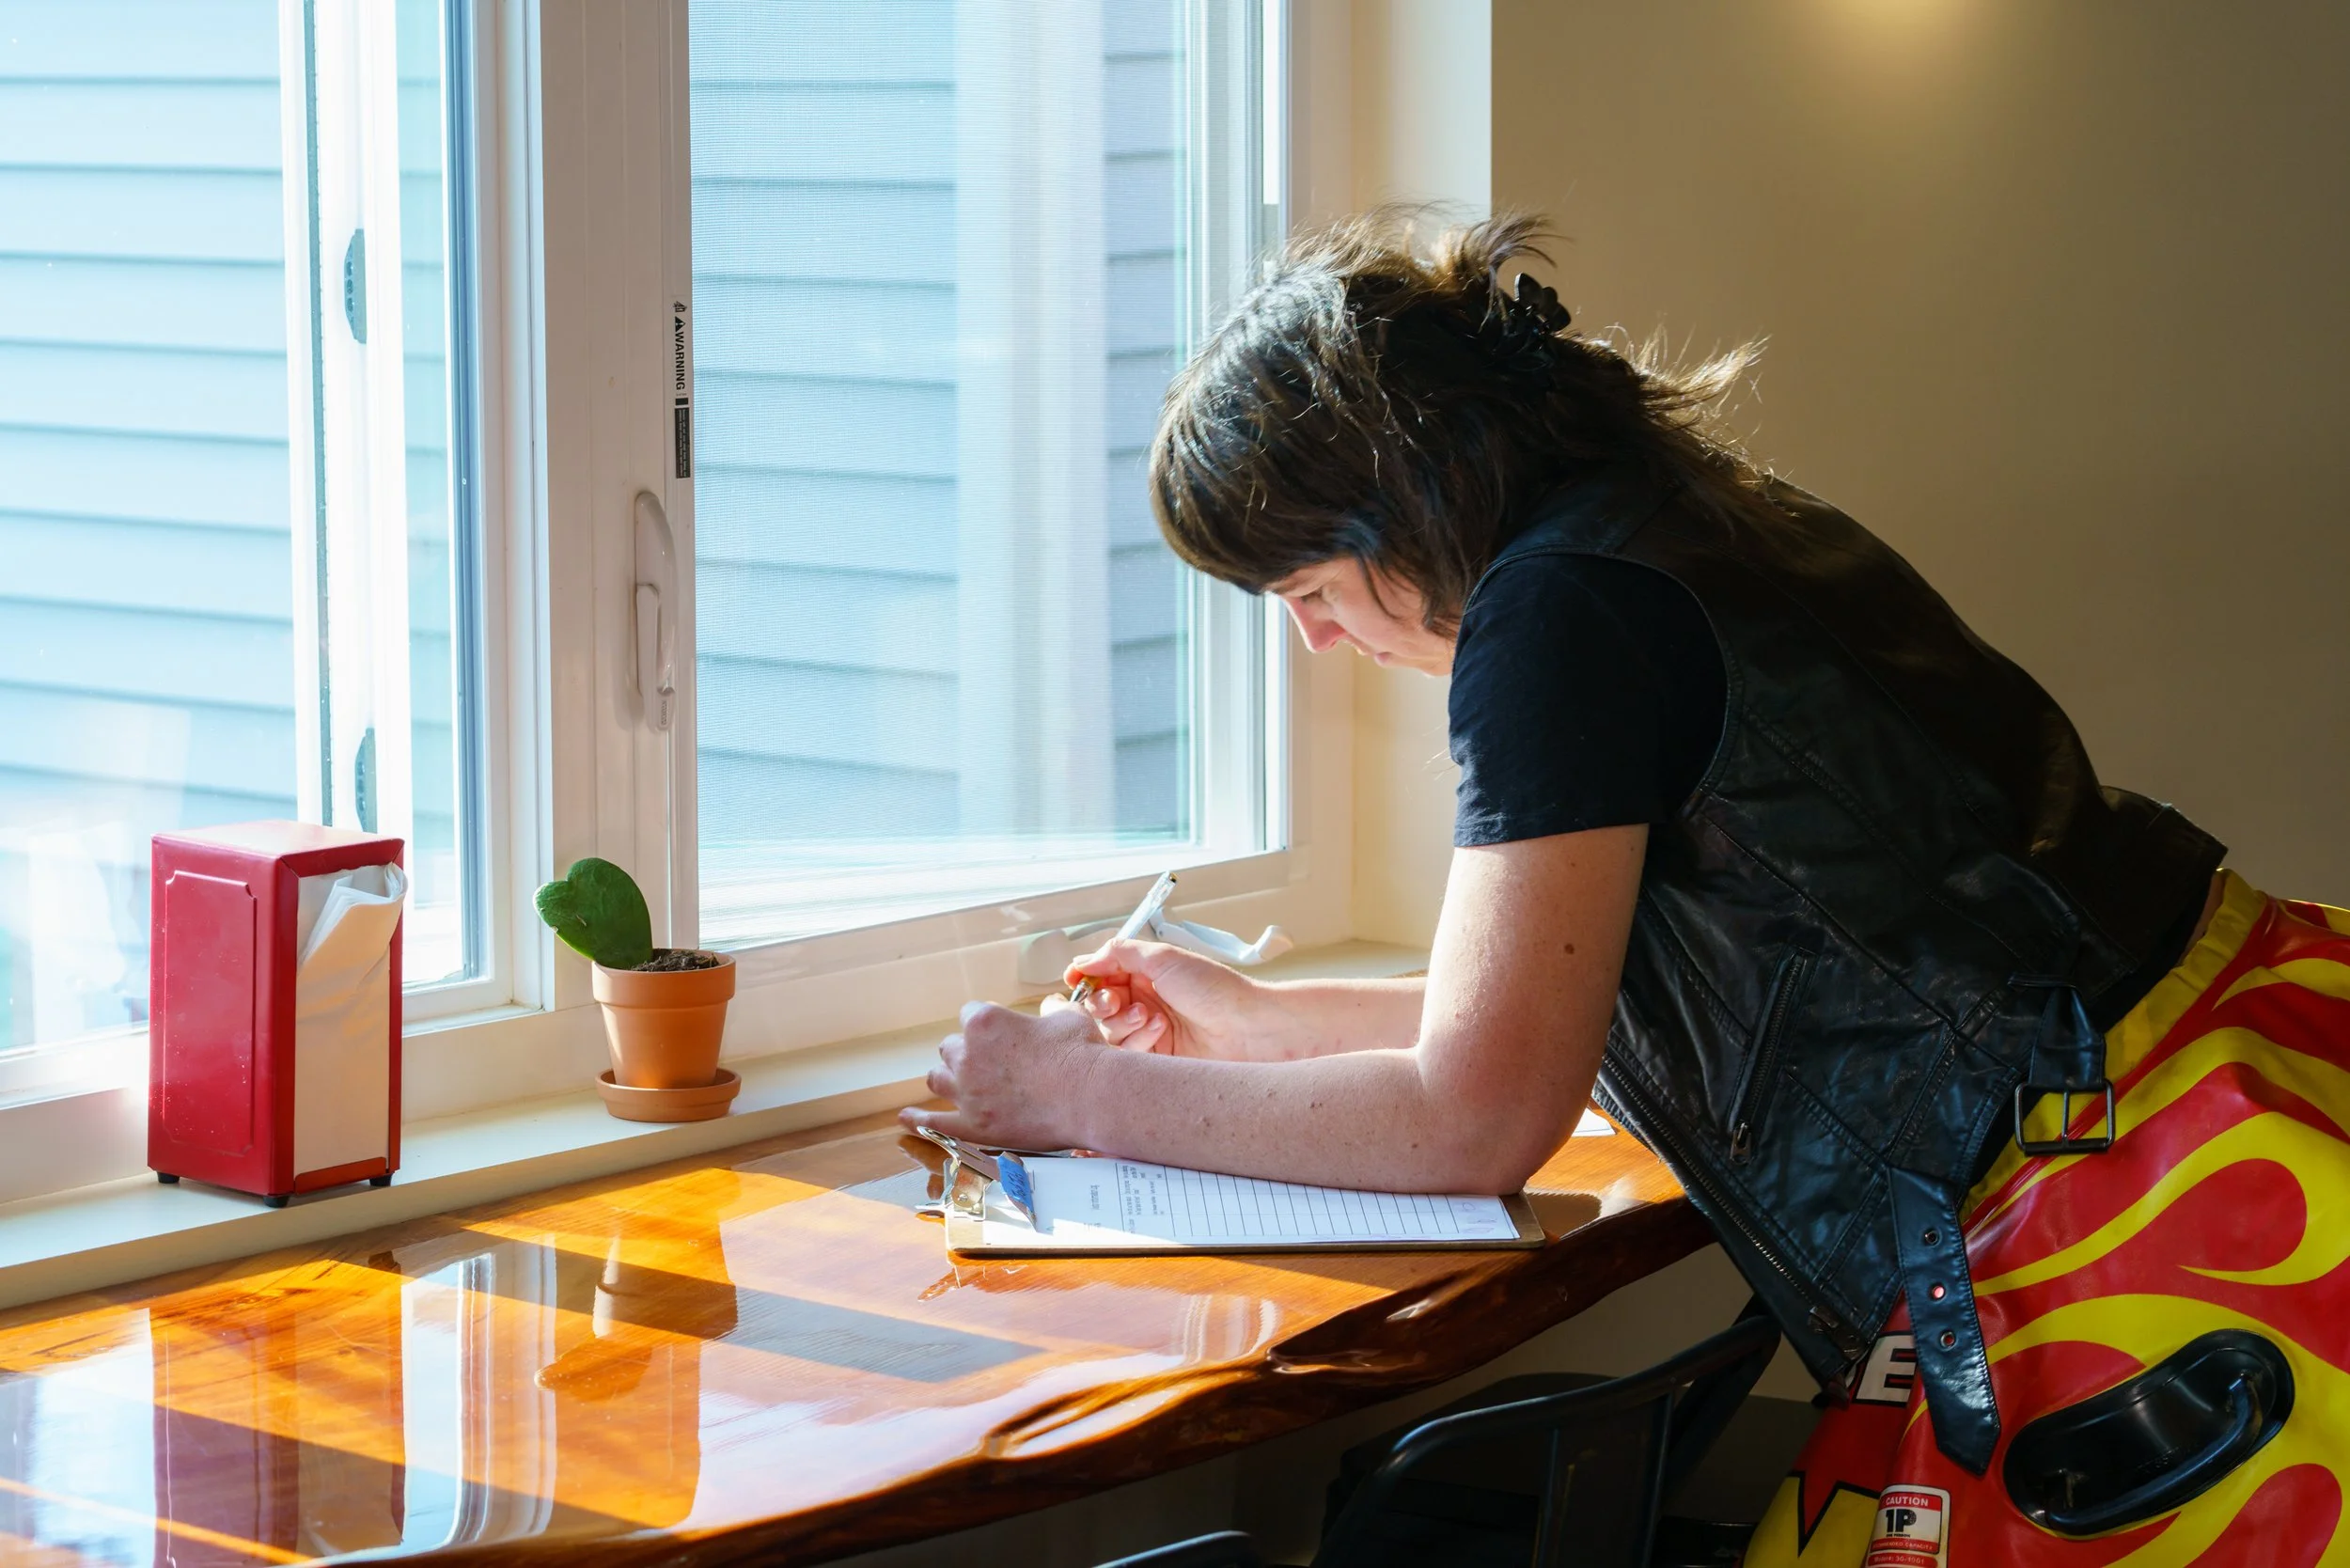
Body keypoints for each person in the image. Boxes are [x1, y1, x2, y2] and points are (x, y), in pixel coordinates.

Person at [901, 212, 2350, 1560]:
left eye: (1310, 596)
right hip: (2215, 1064)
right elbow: (1615, 995)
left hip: (2117, 1199)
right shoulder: (1674, 514)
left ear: (1400, 509)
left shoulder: (1553, 618)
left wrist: (1066, 1098)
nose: (1321, 647)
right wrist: (1257, 1018)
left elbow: (1475, 1119)